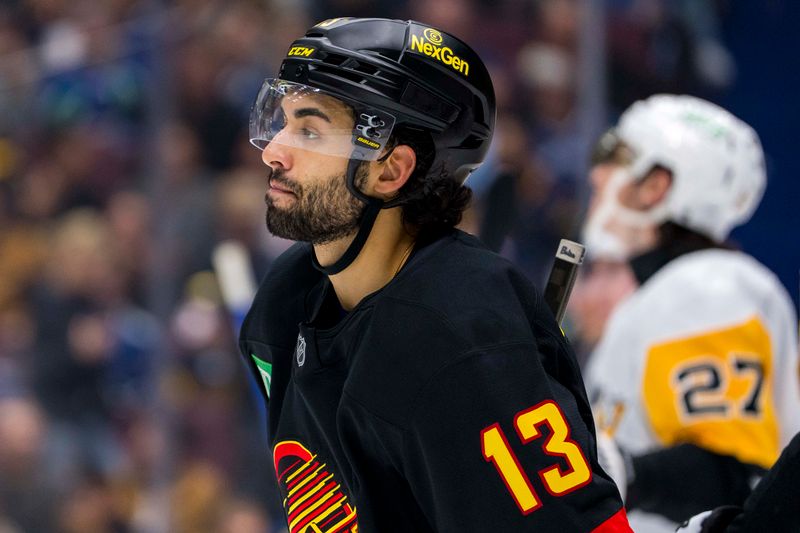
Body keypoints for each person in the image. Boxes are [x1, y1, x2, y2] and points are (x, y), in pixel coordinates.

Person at [238, 17, 631, 532]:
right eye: (283, 122)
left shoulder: (462, 334)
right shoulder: (287, 299)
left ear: (390, 170)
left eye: (310, 130)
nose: (273, 151)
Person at [581, 94, 800, 532]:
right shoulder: (663, 294)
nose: (597, 173)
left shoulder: (709, 288)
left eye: (619, 156)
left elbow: (735, 474)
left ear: (656, 187)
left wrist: (622, 470)